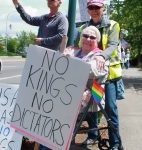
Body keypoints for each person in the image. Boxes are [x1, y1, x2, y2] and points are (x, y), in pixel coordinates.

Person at [12, 0, 68, 150]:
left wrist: (42, 40)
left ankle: (45, 140)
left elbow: (62, 36)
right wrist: (18, 5)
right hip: (39, 60)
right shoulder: (44, 18)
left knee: (47, 99)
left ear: (60, 2)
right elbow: (29, 19)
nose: (49, 1)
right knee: (35, 96)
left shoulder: (62, 19)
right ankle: (34, 133)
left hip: (52, 63)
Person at [75, 0, 123, 149]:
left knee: (110, 109)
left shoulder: (112, 25)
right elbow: (79, 47)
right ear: (88, 9)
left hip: (109, 76)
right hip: (91, 75)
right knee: (90, 107)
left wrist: (101, 56)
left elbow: (113, 45)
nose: (94, 10)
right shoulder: (84, 27)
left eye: (97, 7)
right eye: (91, 7)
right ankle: (92, 136)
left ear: (103, 8)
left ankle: (115, 143)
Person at [64, 25, 109, 149]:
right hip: (72, 91)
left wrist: (69, 61)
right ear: (81, 37)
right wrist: (63, 55)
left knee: (89, 113)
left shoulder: (100, 56)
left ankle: (92, 135)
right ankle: (64, 134)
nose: (88, 39)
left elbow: (91, 70)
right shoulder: (73, 51)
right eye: (85, 35)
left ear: (97, 41)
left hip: (93, 92)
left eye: (92, 37)